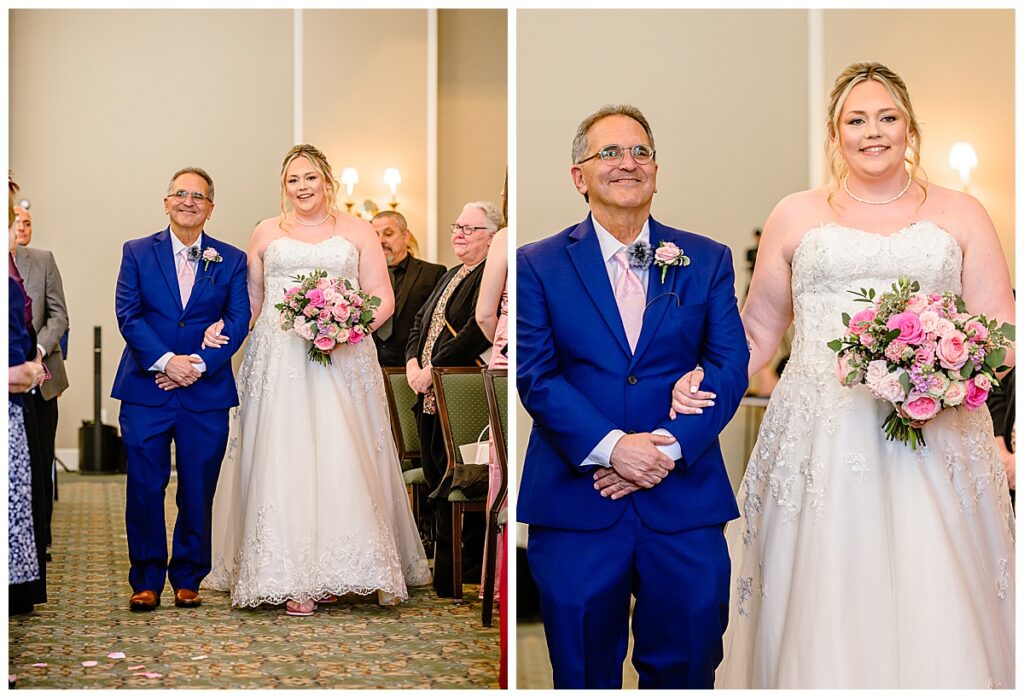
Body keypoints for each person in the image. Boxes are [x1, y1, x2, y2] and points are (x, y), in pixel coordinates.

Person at [672, 62, 1015, 688]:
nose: (873, 132)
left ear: (910, 128)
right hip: (822, 434)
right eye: (856, 120)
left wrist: (947, 363)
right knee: (827, 578)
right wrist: (700, 390)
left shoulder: (961, 212)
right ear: (836, 133)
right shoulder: (797, 214)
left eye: (887, 118)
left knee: (934, 574)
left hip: (934, 431)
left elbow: (1000, 329)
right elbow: (756, 336)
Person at [516, 105, 749, 689]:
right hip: (578, 501)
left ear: (656, 169)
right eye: (610, 153)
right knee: (583, 672)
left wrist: (665, 451)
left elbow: (730, 363)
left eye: (640, 151)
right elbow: (536, 375)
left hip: (683, 502)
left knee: (690, 665)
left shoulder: (707, 259)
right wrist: (615, 448)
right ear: (579, 176)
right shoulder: (536, 265)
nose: (628, 163)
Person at [203, 144, 430, 617]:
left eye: (310, 178)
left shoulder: (358, 231)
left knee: (341, 451)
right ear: (283, 187)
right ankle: (288, 576)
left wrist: (347, 325)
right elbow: (253, 300)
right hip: (279, 357)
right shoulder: (266, 233)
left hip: (341, 355)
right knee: (282, 453)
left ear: (328, 182)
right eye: (293, 180)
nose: (302, 187)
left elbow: (381, 298)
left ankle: (350, 568)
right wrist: (221, 331)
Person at [112, 167, 250, 611]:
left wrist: (197, 364)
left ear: (211, 207)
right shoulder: (136, 252)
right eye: (180, 194)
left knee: (197, 486)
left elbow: (238, 319)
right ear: (166, 201)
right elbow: (129, 315)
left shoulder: (231, 259)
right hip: (145, 389)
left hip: (204, 393)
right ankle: (147, 577)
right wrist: (167, 361)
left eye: (199, 196)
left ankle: (189, 575)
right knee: (145, 486)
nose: (189, 201)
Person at [406, 201, 499, 598]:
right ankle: (446, 578)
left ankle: (467, 573)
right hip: (427, 392)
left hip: (457, 388)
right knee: (435, 482)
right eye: (456, 226)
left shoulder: (490, 277)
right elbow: (419, 322)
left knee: (456, 481)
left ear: (493, 238)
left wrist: (435, 367)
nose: (458, 234)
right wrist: (413, 363)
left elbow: (479, 331)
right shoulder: (451, 275)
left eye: (469, 228)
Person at [14, 205, 70, 547]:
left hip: (42, 378)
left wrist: (37, 350)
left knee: (40, 459)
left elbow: (59, 316)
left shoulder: (42, 259)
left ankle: (41, 538)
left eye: (27, 223)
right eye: (16, 222)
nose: (22, 228)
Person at [475, 222, 508, 688]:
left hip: (505, 359)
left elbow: (485, 314)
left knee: (504, 474)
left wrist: (503, 341)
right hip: (510, 357)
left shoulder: (505, 239)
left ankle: (500, 586)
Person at [370, 210, 446, 367]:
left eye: (388, 233)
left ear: (405, 236)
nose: (380, 240)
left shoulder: (433, 273)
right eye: (374, 235)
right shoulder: (361, 275)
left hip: (412, 365)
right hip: (369, 363)